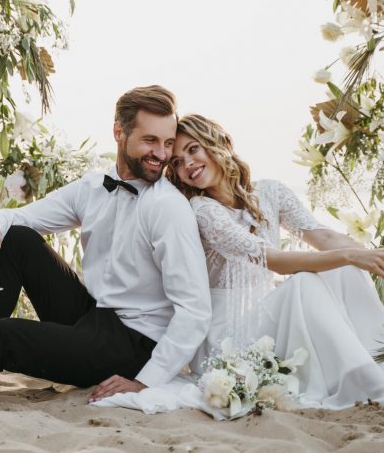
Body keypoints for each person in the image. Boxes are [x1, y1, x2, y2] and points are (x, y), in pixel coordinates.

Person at [0, 87, 212, 408]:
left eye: (168, 143)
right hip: (93, 317)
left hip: (132, 345)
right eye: (150, 140)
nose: (162, 153)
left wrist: (146, 380)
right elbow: (23, 217)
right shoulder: (92, 189)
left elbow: (195, 310)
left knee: (5, 335)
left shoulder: (168, 208)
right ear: (119, 132)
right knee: (16, 238)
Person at [94, 113, 384, 415]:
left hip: (264, 313)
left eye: (193, 149)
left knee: (346, 269)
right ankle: (364, 381)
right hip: (227, 332)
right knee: (305, 282)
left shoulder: (271, 191)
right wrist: (353, 255)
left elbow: (324, 237)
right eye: (177, 162)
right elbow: (276, 262)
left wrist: (368, 255)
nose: (187, 164)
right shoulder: (202, 210)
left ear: (217, 143)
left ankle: (376, 360)